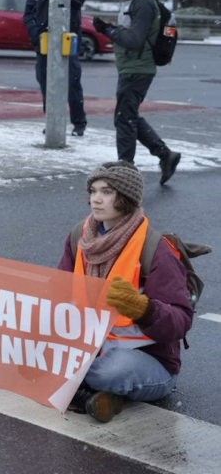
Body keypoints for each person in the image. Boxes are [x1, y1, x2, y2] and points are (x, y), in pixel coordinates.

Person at [59, 161, 193, 423]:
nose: (96, 199)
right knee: (35, 352)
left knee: (110, 370)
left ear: (126, 198)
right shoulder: (79, 237)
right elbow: (61, 292)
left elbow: (181, 321)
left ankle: (84, 387)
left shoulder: (155, 248)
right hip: (90, 348)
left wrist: (144, 309)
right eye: (93, 191)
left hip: (146, 360)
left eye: (107, 192)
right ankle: (99, 396)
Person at [93, 0, 181, 184]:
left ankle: (126, 171)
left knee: (125, 118)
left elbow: (134, 40)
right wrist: (112, 29)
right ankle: (165, 155)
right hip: (134, 67)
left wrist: (108, 29)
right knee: (127, 115)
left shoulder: (143, 3)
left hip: (137, 68)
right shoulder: (139, 2)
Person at [23, 0, 88, 137]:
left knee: (72, 83)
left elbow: (78, 1)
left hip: (66, 43)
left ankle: (79, 123)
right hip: (44, 44)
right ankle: (51, 121)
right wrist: (36, 33)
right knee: (46, 83)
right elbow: (28, 14)